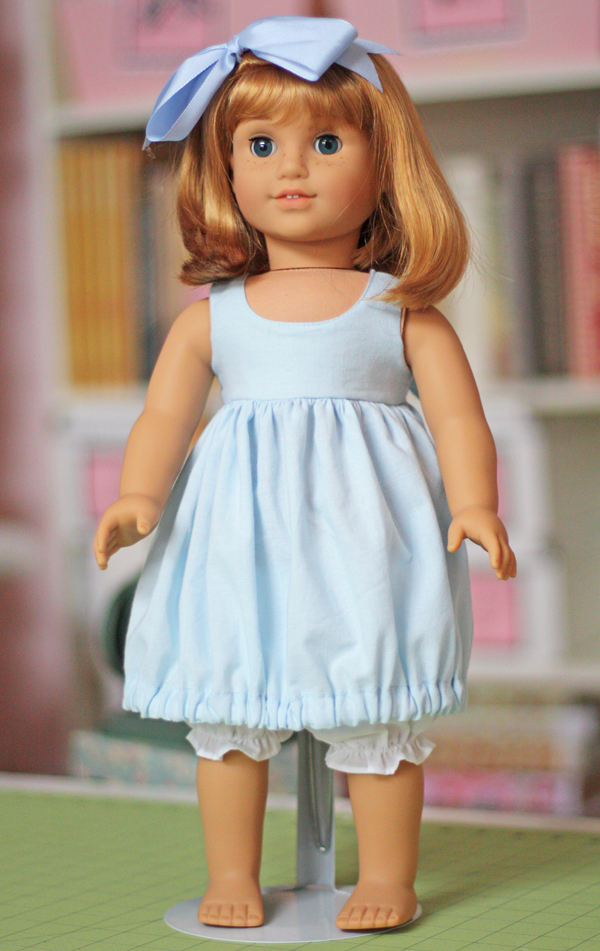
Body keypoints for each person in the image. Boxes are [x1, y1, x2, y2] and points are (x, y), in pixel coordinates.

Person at [94, 16, 516, 932]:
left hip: (367, 535)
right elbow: (164, 417)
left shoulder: (401, 309)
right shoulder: (215, 316)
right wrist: (137, 496)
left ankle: (388, 876)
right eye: (261, 145)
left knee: (373, 711)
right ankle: (233, 871)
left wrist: (477, 502)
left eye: (326, 143)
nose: (293, 168)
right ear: (227, 168)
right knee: (232, 710)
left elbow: (458, 416)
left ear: (384, 163)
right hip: (239, 537)